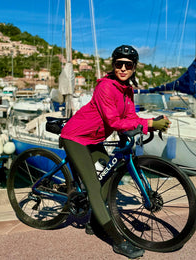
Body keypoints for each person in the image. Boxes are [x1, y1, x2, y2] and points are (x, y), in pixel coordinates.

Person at [60, 45, 171, 259]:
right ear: (113, 65)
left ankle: (94, 221)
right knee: (94, 186)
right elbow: (113, 120)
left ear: (134, 68)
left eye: (127, 65)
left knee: (108, 179)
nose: (122, 68)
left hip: (95, 139)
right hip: (76, 137)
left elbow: (129, 118)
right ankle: (118, 241)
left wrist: (150, 122)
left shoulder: (127, 90)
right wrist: (148, 124)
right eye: (118, 64)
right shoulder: (106, 87)